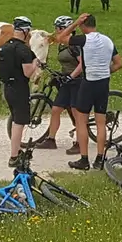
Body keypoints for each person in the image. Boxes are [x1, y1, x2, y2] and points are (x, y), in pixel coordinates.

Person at [69, 13, 122, 171]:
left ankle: (84, 159)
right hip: (103, 83)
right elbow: (119, 63)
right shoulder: (108, 40)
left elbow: (61, 37)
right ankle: (100, 158)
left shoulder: (84, 39)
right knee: (101, 122)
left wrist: (74, 23)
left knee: (81, 121)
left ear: (83, 25)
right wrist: (105, 72)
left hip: (88, 82)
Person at [0, 16, 40, 163]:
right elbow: (27, 72)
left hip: (7, 87)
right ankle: (14, 155)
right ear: (25, 31)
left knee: (15, 120)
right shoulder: (23, 50)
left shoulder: (4, 47)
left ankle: (17, 150)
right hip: (20, 87)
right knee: (19, 123)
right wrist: (35, 63)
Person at [32, 15, 79, 151]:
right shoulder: (62, 44)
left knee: (76, 112)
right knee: (56, 109)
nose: (56, 30)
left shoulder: (74, 45)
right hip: (66, 79)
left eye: (58, 28)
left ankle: (79, 142)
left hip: (77, 80)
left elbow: (82, 64)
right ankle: (51, 140)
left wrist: (72, 76)